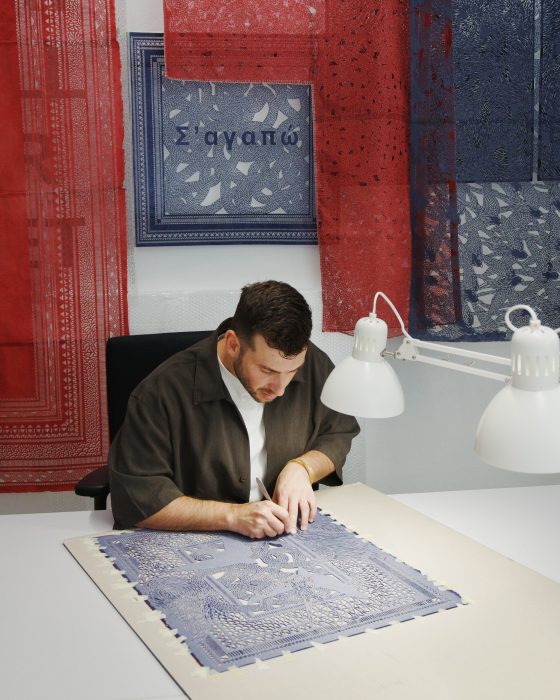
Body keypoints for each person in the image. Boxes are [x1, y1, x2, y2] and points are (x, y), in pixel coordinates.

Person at [109, 280, 360, 538]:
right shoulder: (161, 392)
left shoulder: (313, 363)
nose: (281, 389)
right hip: (199, 540)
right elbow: (140, 500)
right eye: (267, 370)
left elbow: (338, 432)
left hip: (287, 534)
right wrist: (233, 516)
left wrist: (303, 468)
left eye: (292, 372)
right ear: (233, 344)